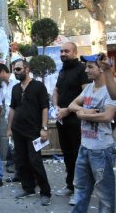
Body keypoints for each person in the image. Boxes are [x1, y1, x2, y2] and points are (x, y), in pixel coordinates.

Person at [68, 54, 116, 213]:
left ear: (101, 69)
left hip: (101, 150)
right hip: (85, 148)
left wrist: (84, 115)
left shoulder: (110, 89)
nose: (86, 70)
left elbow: (107, 116)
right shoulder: (89, 87)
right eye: (86, 66)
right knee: (80, 191)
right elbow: (72, 105)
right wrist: (84, 110)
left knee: (105, 196)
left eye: (90, 67)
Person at [7, 59, 52, 206]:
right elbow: (12, 109)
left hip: (33, 131)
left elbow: (45, 107)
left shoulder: (38, 86)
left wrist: (44, 128)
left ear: (27, 69)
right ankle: (28, 188)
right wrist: (9, 128)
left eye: (18, 69)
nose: (16, 72)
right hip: (17, 130)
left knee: (35, 161)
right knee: (21, 161)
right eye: (14, 69)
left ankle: (45, 192)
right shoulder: (15, 88)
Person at [52, 42, 89, 205]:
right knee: (67, 154)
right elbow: (56, 90)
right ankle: (70, 185)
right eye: (61, 51)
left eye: (66, 51)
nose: (62, 53)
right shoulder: (63, 70)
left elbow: (86, 94)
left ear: (75, 52)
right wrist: (55, 106)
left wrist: (68, 109)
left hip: (76, 119)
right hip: (62, 119)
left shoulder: (82, 69)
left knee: (78, 156)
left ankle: (80, 190)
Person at [0, 63, 19, 175]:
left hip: (19, 119)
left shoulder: (16, 81)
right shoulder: (4, 85)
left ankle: (15, 167)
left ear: (3, 72)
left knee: (17, 145)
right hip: (10, 119)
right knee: (13, 143)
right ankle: (14, 167)